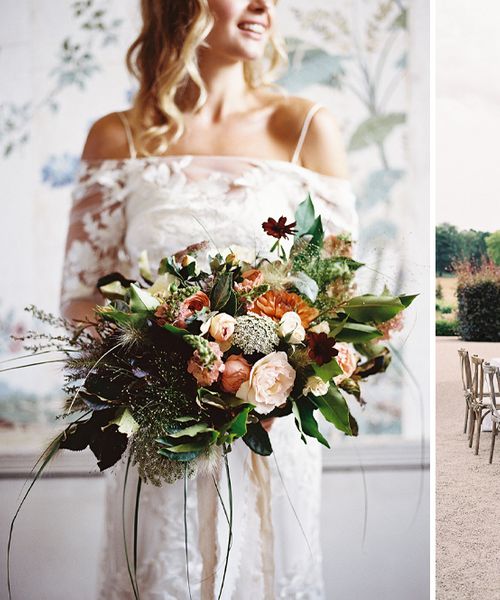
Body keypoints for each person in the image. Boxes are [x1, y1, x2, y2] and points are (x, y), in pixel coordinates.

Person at [60, 1, 357, 597]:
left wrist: (276, 361)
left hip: (270, 440)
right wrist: (169, 353)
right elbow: (78, 301)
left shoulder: (304, 129)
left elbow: (341, 295)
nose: (262, 4)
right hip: (161, 440)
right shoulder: (118, 136)